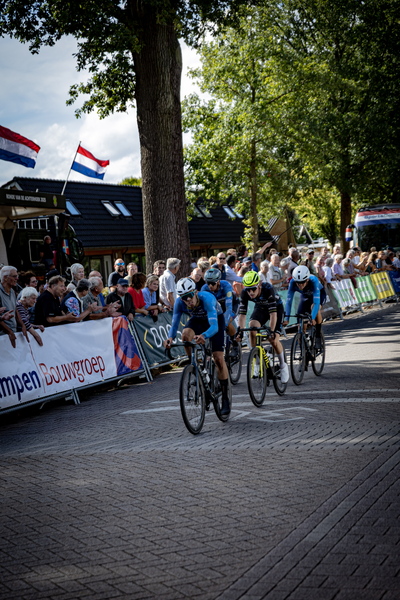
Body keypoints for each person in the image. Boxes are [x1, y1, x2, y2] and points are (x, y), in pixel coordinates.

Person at [164, 277, 231, 416]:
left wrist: (204, 336)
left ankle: (225, 397)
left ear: (195, 292)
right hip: (198, 319)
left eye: (189, 296)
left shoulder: (207, 299)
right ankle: (195, 365)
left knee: (218, 358)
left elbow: (214, 327)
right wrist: (170, 339)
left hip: (215, 320)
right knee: (185, 335)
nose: (188, 300)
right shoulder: (180, 303)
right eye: (184, 298)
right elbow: (174, 324)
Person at [236, 271, 289, 383]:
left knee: (273, 339)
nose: (250, 292)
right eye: (248, 289)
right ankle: (257, 361)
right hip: (260, 309)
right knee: (252, 328)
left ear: (259, 285)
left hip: (276, 309)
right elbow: (242, 315)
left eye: (253, 289)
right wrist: (240, 331)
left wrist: (272, 331)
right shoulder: (245, 293)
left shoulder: (268, 288)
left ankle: (283, 365)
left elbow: (273, 314)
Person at [283, 265, 326, 349]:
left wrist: (312, 318)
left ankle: (318, 335)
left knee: (314, 308)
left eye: (302, 282)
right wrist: (287, 319)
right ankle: (304, 351)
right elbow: (289, 302)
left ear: (307, 279)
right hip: (305, 296)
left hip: (319, 294)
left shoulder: (313, 280)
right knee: (300, 327)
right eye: (298, 283)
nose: (300, 285)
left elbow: (316, 303)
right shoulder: (292, 282)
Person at [201, 268, 240, 356]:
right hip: (218, 307)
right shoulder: (204, 289)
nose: (210, 286)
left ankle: (235, 343)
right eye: (208, 283)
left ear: (218, 281)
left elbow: (228, 307)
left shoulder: (226, 285)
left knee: (227, 322)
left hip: (231, 304)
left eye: (213, 283)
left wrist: (224, 323)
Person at [0, 266, 29, 347]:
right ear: (5, 278)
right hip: (3, 337)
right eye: (14, 276)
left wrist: (23, 325)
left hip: (12, 333)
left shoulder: (12, 291)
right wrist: (9, 332)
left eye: (17, 276)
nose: (17, 278)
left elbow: (15, 310)